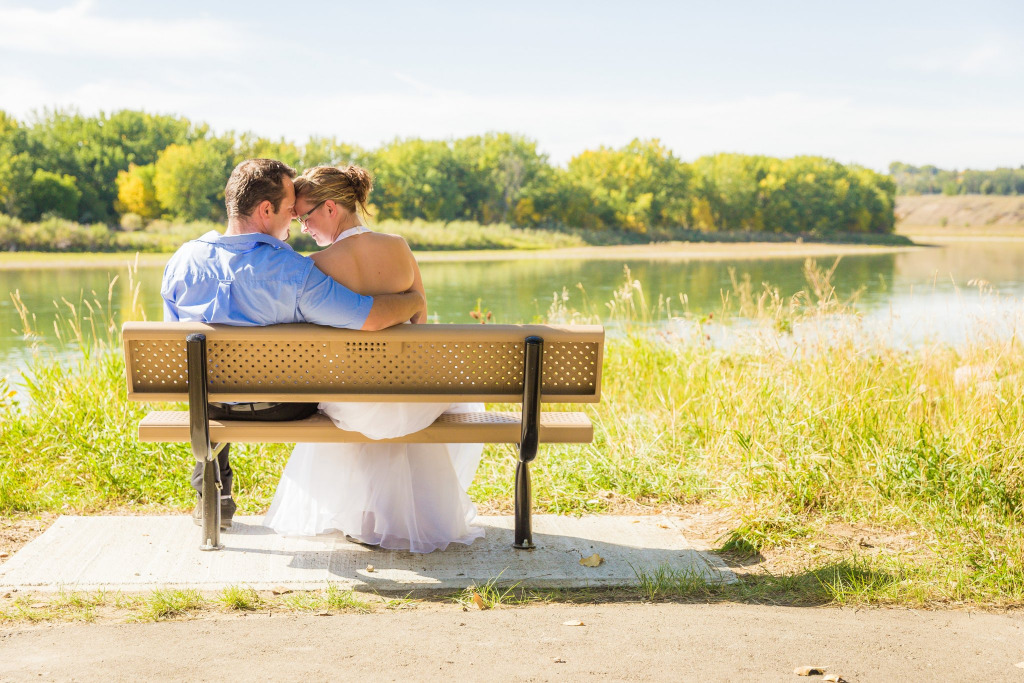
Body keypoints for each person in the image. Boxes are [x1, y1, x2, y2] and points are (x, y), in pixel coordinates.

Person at [161, 159, 424, 529]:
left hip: (209, 405)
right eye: (289, 213)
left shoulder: (181, 261)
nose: (292, 229)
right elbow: (369, 317)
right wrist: (413, 301)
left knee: (209, 386)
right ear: (266, 210)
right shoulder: (295, 272)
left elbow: (175, 343)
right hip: (280, 404)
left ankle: (214, 493)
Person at [263, 165, 484, 553]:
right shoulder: (399, 246)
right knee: (395, 401)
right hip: (413, 397)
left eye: (305, 217)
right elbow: (420, 319)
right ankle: (410, 518)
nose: (303, 228)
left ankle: (366, 516)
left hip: (356, 398)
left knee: (353, 401)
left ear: (330, 208)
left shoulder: (316, 266)